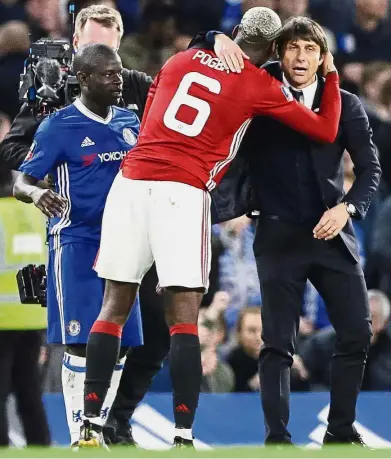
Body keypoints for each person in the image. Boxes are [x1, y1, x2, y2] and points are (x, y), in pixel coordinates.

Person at [79, 6, 342, 448]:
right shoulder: (260, 85)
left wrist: (210, 39)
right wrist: (330, 75)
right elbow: (325, 128)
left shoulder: (180, 60)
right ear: (274, 50)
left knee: (112, 310)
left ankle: (89, 426)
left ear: (235, 32)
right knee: (184, 321)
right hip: (182, 191)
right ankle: (182, 435)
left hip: (131, 181)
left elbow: (168, 90)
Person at [0, 4, 247, 445]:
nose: (112, 62)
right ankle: (86, 430)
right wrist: (59, 166)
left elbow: (184, 90)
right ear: (77, 47)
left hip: (143, 228)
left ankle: (115, 419)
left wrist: (213, 38)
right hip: (79, 235)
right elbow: (17, 153)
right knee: (85, 335)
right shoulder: (50, 101)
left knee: (144, 339)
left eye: (113, 47)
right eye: (97, 46)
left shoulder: (132, 95)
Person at [211, 17, 381, 445]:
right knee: (276, 343)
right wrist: (213, 36)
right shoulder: (258, 98)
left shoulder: (347, 105)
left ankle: (340, 430)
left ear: (323, 58)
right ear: (279, 53)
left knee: (358, 332)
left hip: (330, 234)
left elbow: (369, 171)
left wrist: (347, 209)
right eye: (293, 48)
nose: (301, 56)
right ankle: (277, 439)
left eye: (310, 49)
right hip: (278, 235)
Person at [13, 43, 144, 448]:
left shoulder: (130, 122)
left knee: (118, 342)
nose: (117, 80)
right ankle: (77, 434)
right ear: (84, 79)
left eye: (119, 72)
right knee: (79, 339)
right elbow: (22, 181)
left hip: (125, 244)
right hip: (76, 241)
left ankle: (97, 429)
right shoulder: (58, 126)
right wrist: (37, 196)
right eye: (107, 74)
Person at [0, 170, 50, 447]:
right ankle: (40, 446)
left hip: (3, 318)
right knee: (28, 389)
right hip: (33, 315)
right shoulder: (35, 215)